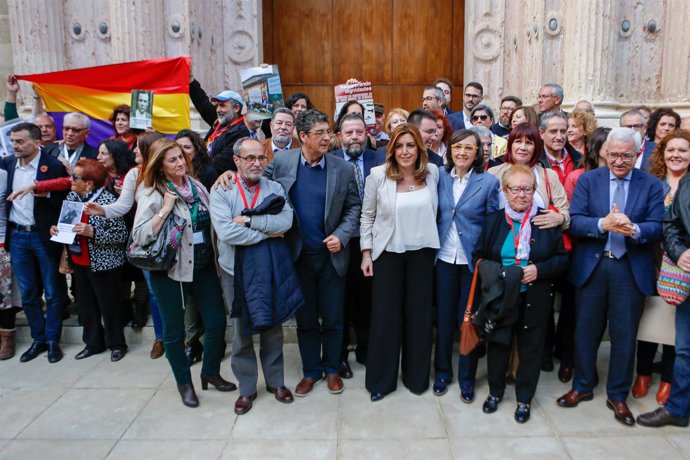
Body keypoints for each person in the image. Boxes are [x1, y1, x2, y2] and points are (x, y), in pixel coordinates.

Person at [557, 128, 664, 427]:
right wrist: (603, 224)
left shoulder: (652, 185)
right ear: (605, 153)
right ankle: (582, 385)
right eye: (613, 154)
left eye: (626, 156)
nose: (619, 160)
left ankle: (617, 394)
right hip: (593, 265)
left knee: (624, 336)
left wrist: (636, 230)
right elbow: (575, 221)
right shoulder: (588, 180)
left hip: (630, 268)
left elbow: (658, 225)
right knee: (585, 332)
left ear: (637, 154)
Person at [263, 109, 361, 397]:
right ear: (302, 136)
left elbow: (354, 207)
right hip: (298, 257)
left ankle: (331, 369)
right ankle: (310, 371)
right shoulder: (282, 161)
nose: (327, 138)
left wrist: (342, 236)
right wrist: (230, 175)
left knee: (333, 317)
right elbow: (258, 183)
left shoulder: (342, 168)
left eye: (328, 132)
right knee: (305, 320)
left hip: (331, 258)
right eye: (320, 133)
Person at [132, 139, 236, 408]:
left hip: (202, 267)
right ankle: (184, 383)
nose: (180, 163)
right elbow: (141, 235)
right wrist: (166, 208)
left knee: (215, 322)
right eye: (172, 160)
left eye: (181, 157)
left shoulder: (197, 186)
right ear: (160, 166)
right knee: (174, 331)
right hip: (170, 270)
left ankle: (210, 372)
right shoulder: (151, 193)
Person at [210, 137, 298, 415]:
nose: (257, 163)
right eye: (250, 158)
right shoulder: (222, 190)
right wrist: (267, 235)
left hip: (269, 269)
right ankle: (246, 389)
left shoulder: (274, 188)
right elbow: (226, 232)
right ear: (236, 161)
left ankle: (276, 383)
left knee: (272, 327)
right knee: (241, 332)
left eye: (261, 157)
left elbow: (287, 221)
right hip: (233, 271)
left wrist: (250, 221)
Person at [474, 164, 568, 423]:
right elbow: (479, 257)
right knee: (498, 343)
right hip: (500, 296)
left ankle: (524, 399)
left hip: (534, 296)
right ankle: (494, 393)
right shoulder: (493, 220)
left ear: (535, 190)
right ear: (505, 191)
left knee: (530, 348)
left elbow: (562, 260)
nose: (521, 195)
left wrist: (539, 269)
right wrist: (504, 274)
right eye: (515, 189)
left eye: (527, 189)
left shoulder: (545, 221)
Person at [360, 123, 440, 401]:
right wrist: (366, 253)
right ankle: (381, 381)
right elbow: (366, 217)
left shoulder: (432, 173)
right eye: (399, 145)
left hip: (422, 253)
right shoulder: (377, 176)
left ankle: (417, 378)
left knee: (419, 319)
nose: (405, 151)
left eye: (410, 145)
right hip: (388, 254)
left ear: (420, 147)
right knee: (385, 318)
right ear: (391, 148)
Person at [84, 132, 167, 359]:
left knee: (178, 292)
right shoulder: (134, 174)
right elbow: (122, 206)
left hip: (173, 240)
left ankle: (182, 335)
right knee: (154, 292)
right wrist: (103, 210)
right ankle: (161, 337)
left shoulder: (168, 170)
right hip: (147, 242)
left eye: (139, 148)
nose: (134, 152)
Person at [433, 129, 499, 401]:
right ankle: (442, 372)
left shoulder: (488, 183)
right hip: (444, 259)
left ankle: (467, 378)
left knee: (468, 322)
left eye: (468, 148)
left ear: (477, 153)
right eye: (457, 147)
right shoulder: (439, 179)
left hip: (472, 264)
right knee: (444, 320)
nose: (462, 152)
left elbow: (493, 225)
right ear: (450, 151)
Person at [50, 159, 129, 361]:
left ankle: (116, 344)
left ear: (89, 184)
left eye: (75, 177)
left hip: (104, 263)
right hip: (79, 261)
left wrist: (93, 232)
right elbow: (66, 223)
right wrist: (57, 229)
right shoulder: (73, 197)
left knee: (109, 306)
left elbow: (121, 235)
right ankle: (93, 343)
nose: (71, 180)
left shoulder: (108, 201)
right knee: (86, 306)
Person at [3, 122, 68, 363]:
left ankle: (53, 340)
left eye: (20, 141)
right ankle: (38, 338)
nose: (14, 145)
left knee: (52, 292)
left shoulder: (52, 166)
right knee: (29, 293)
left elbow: (68, 195)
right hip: (18, 236)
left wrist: (47, 193)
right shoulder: (7, 164)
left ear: (36, 142)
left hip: (43, 236)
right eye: (13, 141)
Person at [633, 130, 690, 405]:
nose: (676, 155)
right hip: (650, 259)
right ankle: (642, 373)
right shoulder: (653, 183)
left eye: (682, 150)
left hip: (681, 265)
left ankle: (668, 379)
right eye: (671, 150)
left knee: (674, 323)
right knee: (649, 317)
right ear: (662, 153)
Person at [328, 113, 386, 378]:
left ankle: (366, 349)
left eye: (359, 132)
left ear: (367, 134)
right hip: (340, 243)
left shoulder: (380, 160)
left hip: (373, 243)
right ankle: (339, 355)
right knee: (339, 301)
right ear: (339, 136)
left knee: (367, 301)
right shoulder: (330, 162)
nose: (354, 137)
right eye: (349, 132)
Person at [488, 123, 570, 230]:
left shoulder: (549, 176)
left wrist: (561, 218)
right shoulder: (493, 173)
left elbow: (565, 211)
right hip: (501, 239)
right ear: (510, 145)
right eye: (518, 142)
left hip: (538, 240)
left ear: (536, 147)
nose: (523, 147)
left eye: (529, 143)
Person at [189, 72, 249, 174]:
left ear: (236, 108)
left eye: (222, 105)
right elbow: (202, 102)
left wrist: (192, 164)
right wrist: (190, 80)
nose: (218, 109)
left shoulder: (241, 133)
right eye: (216, 105)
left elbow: (220, 163)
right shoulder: (220, 121)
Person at [564, 127, 611, 205]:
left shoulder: (619, 174)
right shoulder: (575, 177)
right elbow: (570, 208)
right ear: (597, 145)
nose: (613, 149)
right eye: (609, 144)